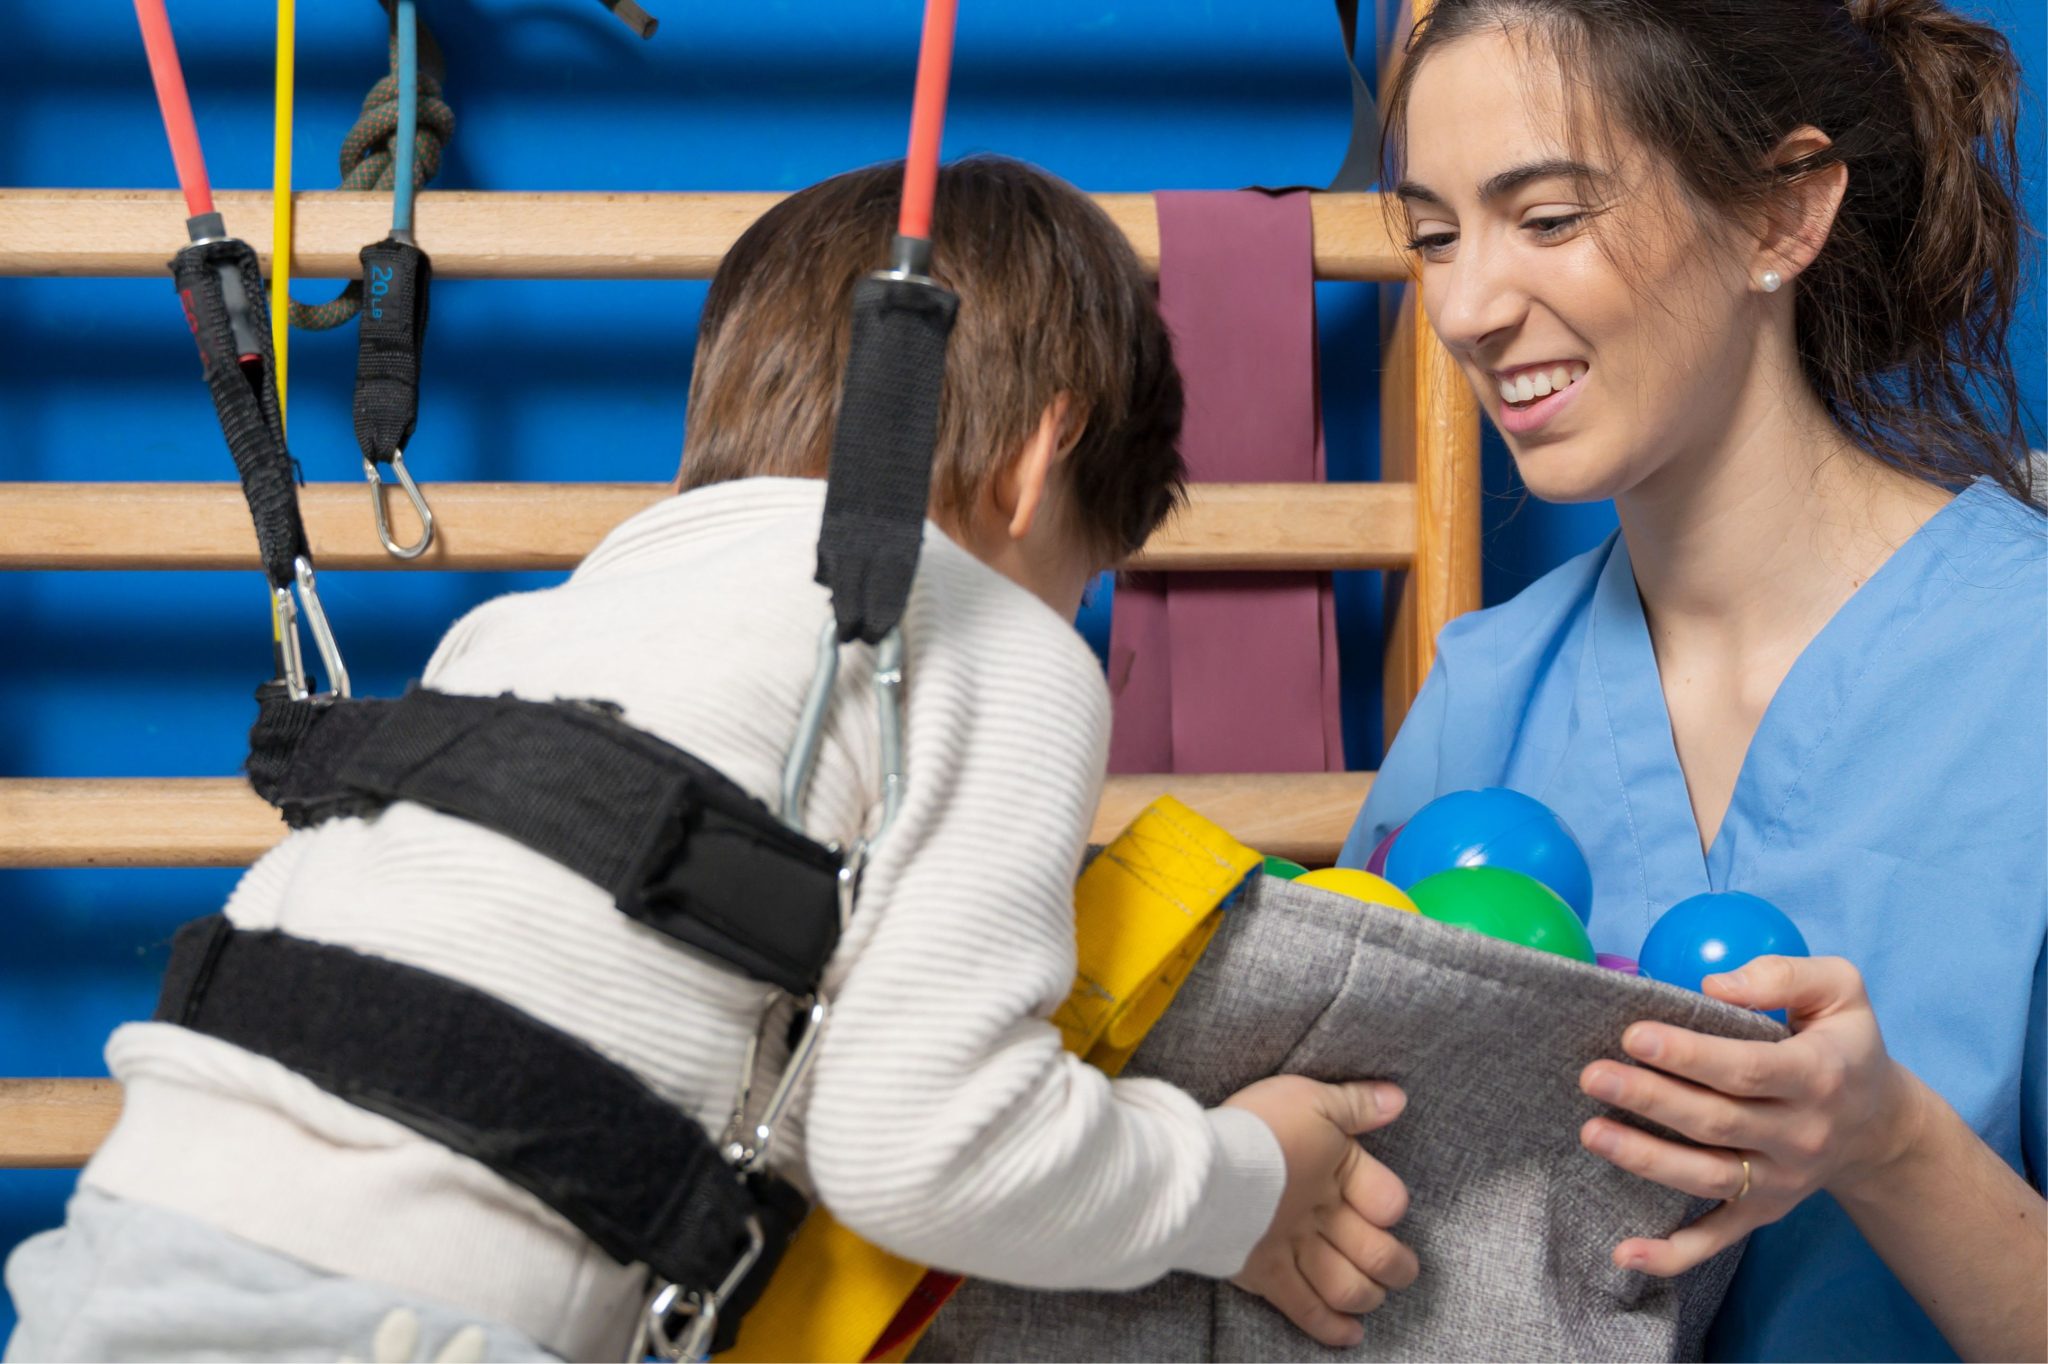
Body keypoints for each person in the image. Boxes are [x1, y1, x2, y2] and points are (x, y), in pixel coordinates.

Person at [6, 157, 1418, 1361]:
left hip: (109, 1259)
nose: (1070, 628)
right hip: (405, 1322)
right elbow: (926, 1146)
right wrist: (1246, 1187)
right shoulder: (985, 629)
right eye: (1082, 583)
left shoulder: (524, 630)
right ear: (1041, 466)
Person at [1342, 1, 2045, 1358]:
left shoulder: (2027, 671)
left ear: (1782, 216)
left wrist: (1890, 1146)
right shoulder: (1480, 704)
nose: (1468, 309)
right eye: (1434, 236)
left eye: (1548, 218)